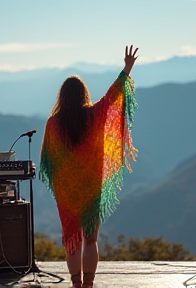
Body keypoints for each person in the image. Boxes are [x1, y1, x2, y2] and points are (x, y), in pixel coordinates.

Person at [39, 45, 139, 287]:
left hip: (67, 193)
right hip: (92, 187)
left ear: (62, 97)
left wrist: (61, 184)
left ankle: (75, 284)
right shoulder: (94, 115)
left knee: (72, 240)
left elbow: (47, 160)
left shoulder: (53, 124)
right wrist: (126, 68)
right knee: (91, 240)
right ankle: (89, 285)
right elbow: (112, 96)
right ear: (83, 94)